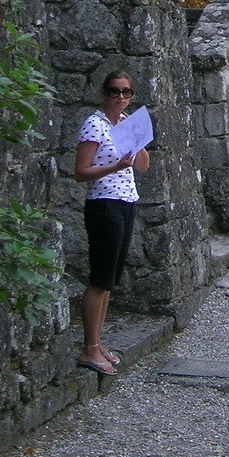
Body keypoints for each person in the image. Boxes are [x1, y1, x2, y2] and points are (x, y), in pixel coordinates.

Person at [74, 69, 150, 375]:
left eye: (126, 92)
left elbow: (143, 166)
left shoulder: (125, 124)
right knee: (100, 278)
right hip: (104, 204)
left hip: (126, 202)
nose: (120, 97)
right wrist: (113, 165)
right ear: (104, 93)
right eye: (115, 91)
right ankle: (89, 349)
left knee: (109, 280)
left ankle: (97, 343)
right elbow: (80, 172)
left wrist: (136, 137)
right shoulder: (94, 124)